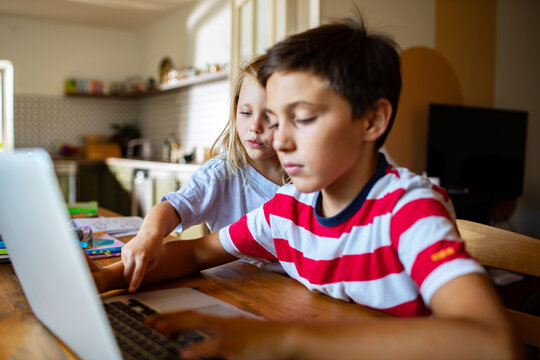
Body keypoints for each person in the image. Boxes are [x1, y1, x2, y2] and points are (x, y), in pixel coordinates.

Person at [90, 15, 520, 360]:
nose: (279, 140)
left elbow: (491, 343)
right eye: (278, 119)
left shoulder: (409, 211)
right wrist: (104, 277)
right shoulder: (289, 208)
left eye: (304, 118)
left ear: (372, 120)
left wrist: (288, 342)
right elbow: (197, 252)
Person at [120, 54, 286, 293]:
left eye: (269, 116)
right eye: (246, 113)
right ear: (234, 111)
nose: (254, 127)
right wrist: (148, 235)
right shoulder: (221, 173)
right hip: (236, 289)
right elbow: (173, 208)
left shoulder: (306, 180)